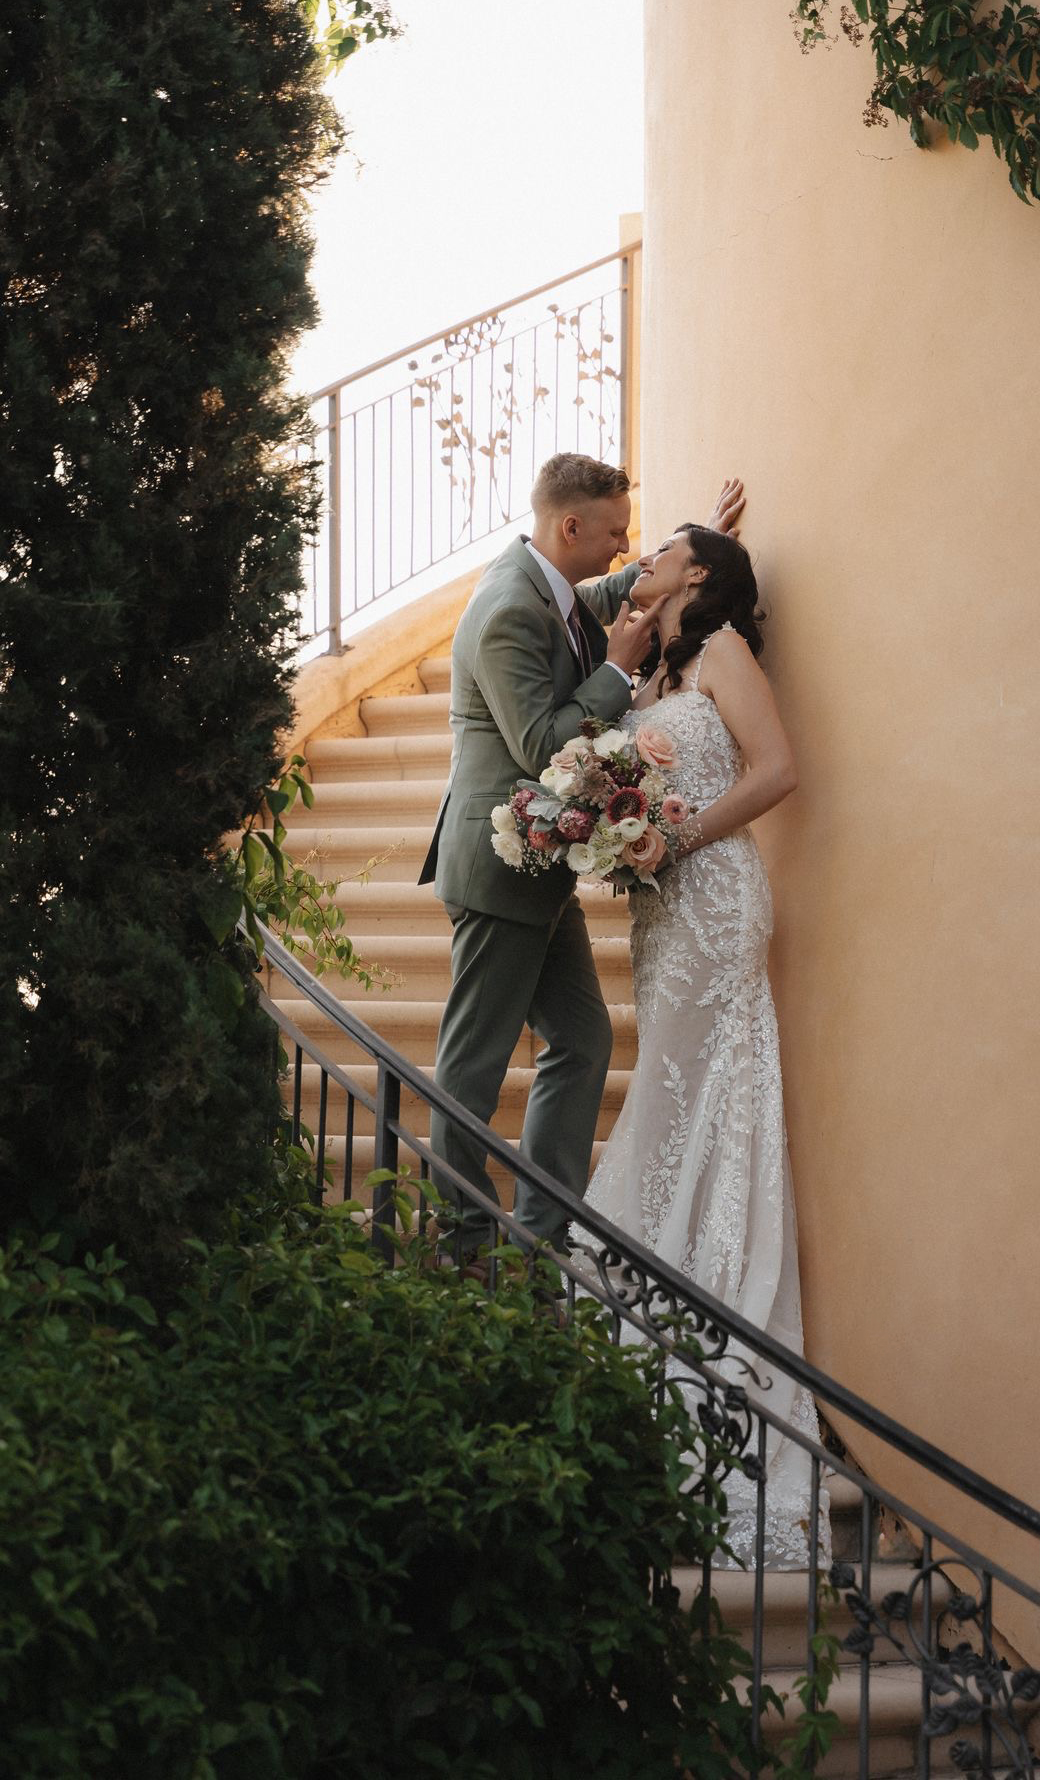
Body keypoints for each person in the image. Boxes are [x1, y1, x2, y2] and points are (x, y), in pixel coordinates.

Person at [419, 456, 743, 1262]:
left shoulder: (552, 587)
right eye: (614, 534)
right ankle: (460, 1244)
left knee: (583, 1041)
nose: (622, 550)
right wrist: (615, 672)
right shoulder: (506, 611)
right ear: (571, 528)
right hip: (500, 873)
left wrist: (698, 557)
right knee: (474, 1065)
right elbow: (537, 747)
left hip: (540, 875)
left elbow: (609, 593)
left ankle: (539, 1235)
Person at [582, 523, 829, 1569]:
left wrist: (678, 838)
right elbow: (602, 601)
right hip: (664, 912)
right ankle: (661, 1287)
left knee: (699, 1094)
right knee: (677, 1092)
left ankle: (699, 1307)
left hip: (718, 900)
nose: (644, 554)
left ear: (700, 577)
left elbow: (779, 773)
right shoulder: (654, 673)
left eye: (667, 545)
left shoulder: (724, 652)